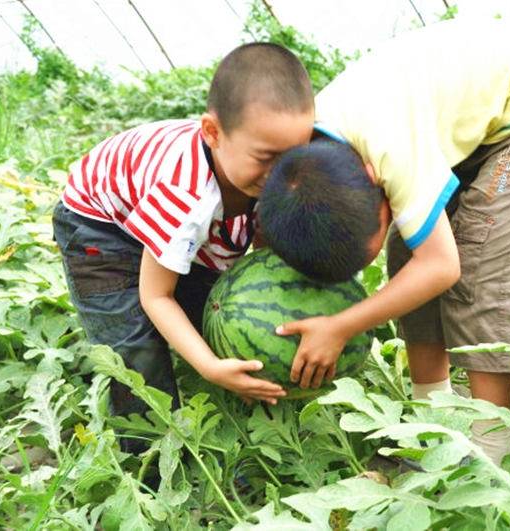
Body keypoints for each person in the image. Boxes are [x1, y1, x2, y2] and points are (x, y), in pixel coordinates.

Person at [258, 17, 510, 464]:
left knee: (483, 274)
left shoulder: (390, 152)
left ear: (372, 177)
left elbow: (443, 267)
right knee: (408, 261)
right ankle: (434, 412)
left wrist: (343, 324)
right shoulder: (303, 164)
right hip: (459, 106)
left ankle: (492, 446)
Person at [52, 43, 314, 453]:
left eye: (293, 157)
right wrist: (210, 367)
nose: (281, 174)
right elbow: (155, 296)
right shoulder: (184, 195)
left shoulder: (266, 171)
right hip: (98, 228)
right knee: (135, 348)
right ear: (212, 133)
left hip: (172, 210)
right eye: (266, 157)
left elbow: (265, 255)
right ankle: (150, 460)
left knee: (213, 312)